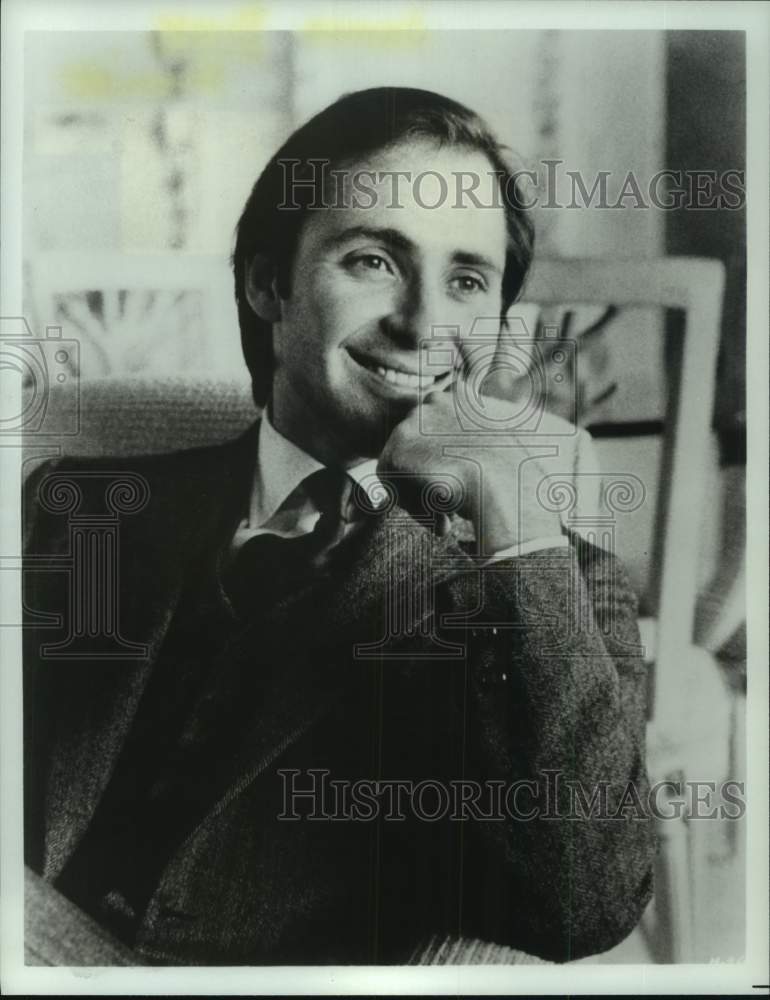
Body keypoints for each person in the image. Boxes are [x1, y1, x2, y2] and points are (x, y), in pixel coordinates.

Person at [23, 87, 655, 966]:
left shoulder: (554, 587)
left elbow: (582, 904)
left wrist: (513, 522)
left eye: (467, 282)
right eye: (374, 261)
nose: (426, 324)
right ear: (267, 282)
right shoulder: (82, 512)